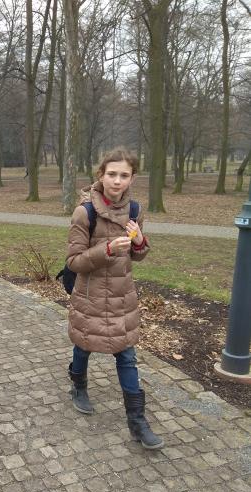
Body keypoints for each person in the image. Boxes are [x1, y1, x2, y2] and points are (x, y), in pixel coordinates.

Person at [66, 147, 163, 449]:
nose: (117, 181)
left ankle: (137, 421)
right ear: (101, 175)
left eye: (124, 175)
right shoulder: (85, 212)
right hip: (90, 297)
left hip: (122, 298)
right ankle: (78, 385)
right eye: (112, 174)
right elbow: (74, 261)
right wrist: (106, 250)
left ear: (132, 178)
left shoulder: (134, 211)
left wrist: (140, 242)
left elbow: (137, 255)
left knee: (127, 356)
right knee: (84, 347)